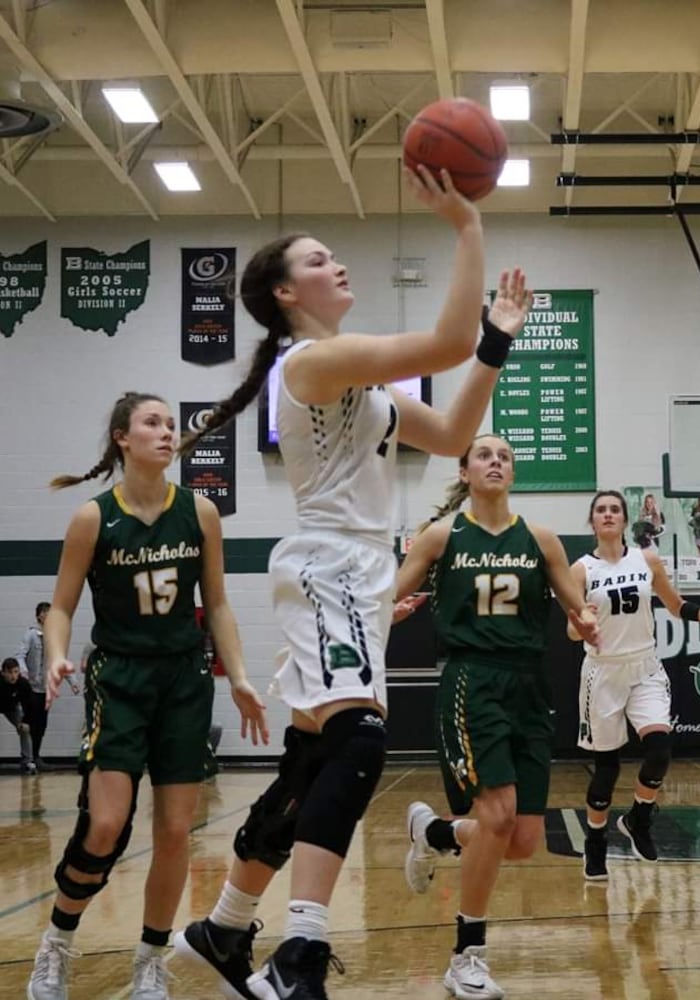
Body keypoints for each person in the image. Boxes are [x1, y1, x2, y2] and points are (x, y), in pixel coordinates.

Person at [174, 165, 527, 1000]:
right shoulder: (312, 362)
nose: (338, 266)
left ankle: (224, 928)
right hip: (331, 561)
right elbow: (443, 345)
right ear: (286, 293)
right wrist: (468, 231)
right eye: (320, 259)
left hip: (356, 572)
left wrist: (498, 341)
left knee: (311, 758)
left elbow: (448, 435)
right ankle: (298, 954)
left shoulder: (357, 385)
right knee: (361, 744)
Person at [27, 392, 268, 1000]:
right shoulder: (93, 518)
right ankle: (56, 941)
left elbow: (216, 603)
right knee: (105, 825)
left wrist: (237, 675)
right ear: (122, 439)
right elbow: (61, 606)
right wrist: (57, 655)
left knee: (174, 832)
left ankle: (150, 960)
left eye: (169, 423)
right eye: (151, 423)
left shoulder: (200, 512)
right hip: (121, 678)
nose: (167, 433)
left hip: (184, 679)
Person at [389, 434, 599, 999]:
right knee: (499, 813)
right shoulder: (441, 536)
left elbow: (574, 609)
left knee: (522, 838)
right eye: (485, 454)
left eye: (504, 456)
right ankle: (467, 955)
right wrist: (388, 608)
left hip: (529, 684)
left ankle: (433, 832)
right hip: (471, 679)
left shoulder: (541, 538)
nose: (496, 462)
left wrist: (586, 623)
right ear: (465, 470)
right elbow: (387, 596)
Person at [569, 490, 700, 882]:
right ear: (592, 521)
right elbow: (571, 633)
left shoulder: (647, 559)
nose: (608, 515)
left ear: (624, 520)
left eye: (614, 509)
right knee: (606, 770)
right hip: (602, 672)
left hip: (644, 665)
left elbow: (675, 605)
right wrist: (583, 623)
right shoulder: (581, 570)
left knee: (659, 749)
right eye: (600, 510)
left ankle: (639, 818)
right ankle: (596, 842)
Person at [16, 601, 55, 767]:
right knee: (30, 723)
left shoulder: (53, 635)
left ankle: (36, 756)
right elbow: (20, 655)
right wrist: (23, 671)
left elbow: (58, 660)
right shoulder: (31, 634)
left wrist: (72, 681)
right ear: (40, 615)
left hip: (45, 688)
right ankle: (28, 758)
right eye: (47, 613)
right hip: (31, 688)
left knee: (42, 724)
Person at [1, 656, 36, 774]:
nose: (13, 676)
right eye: (10, 672)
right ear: (3, 673)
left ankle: (28, 761)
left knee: (25, 730)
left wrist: (26, 721)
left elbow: (30, 705)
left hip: (11, 708)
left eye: (16, 672)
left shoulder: (23, 684)